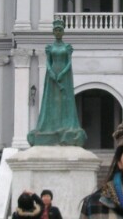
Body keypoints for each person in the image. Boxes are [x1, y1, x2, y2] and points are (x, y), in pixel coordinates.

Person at [27, 19, 87, 147]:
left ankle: (65, 127)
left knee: (64, 101)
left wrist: (62, 74)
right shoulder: (50, 47)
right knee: (52, 101)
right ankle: (50, 128)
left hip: (64, 76)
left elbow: (69, 63)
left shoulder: (67, 47)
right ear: (53, 32)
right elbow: (48, 62)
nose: (58, 32)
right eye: (56, 30)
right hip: (52, 76)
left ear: (63, 32)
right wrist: (51, 72)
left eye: (60, 30)